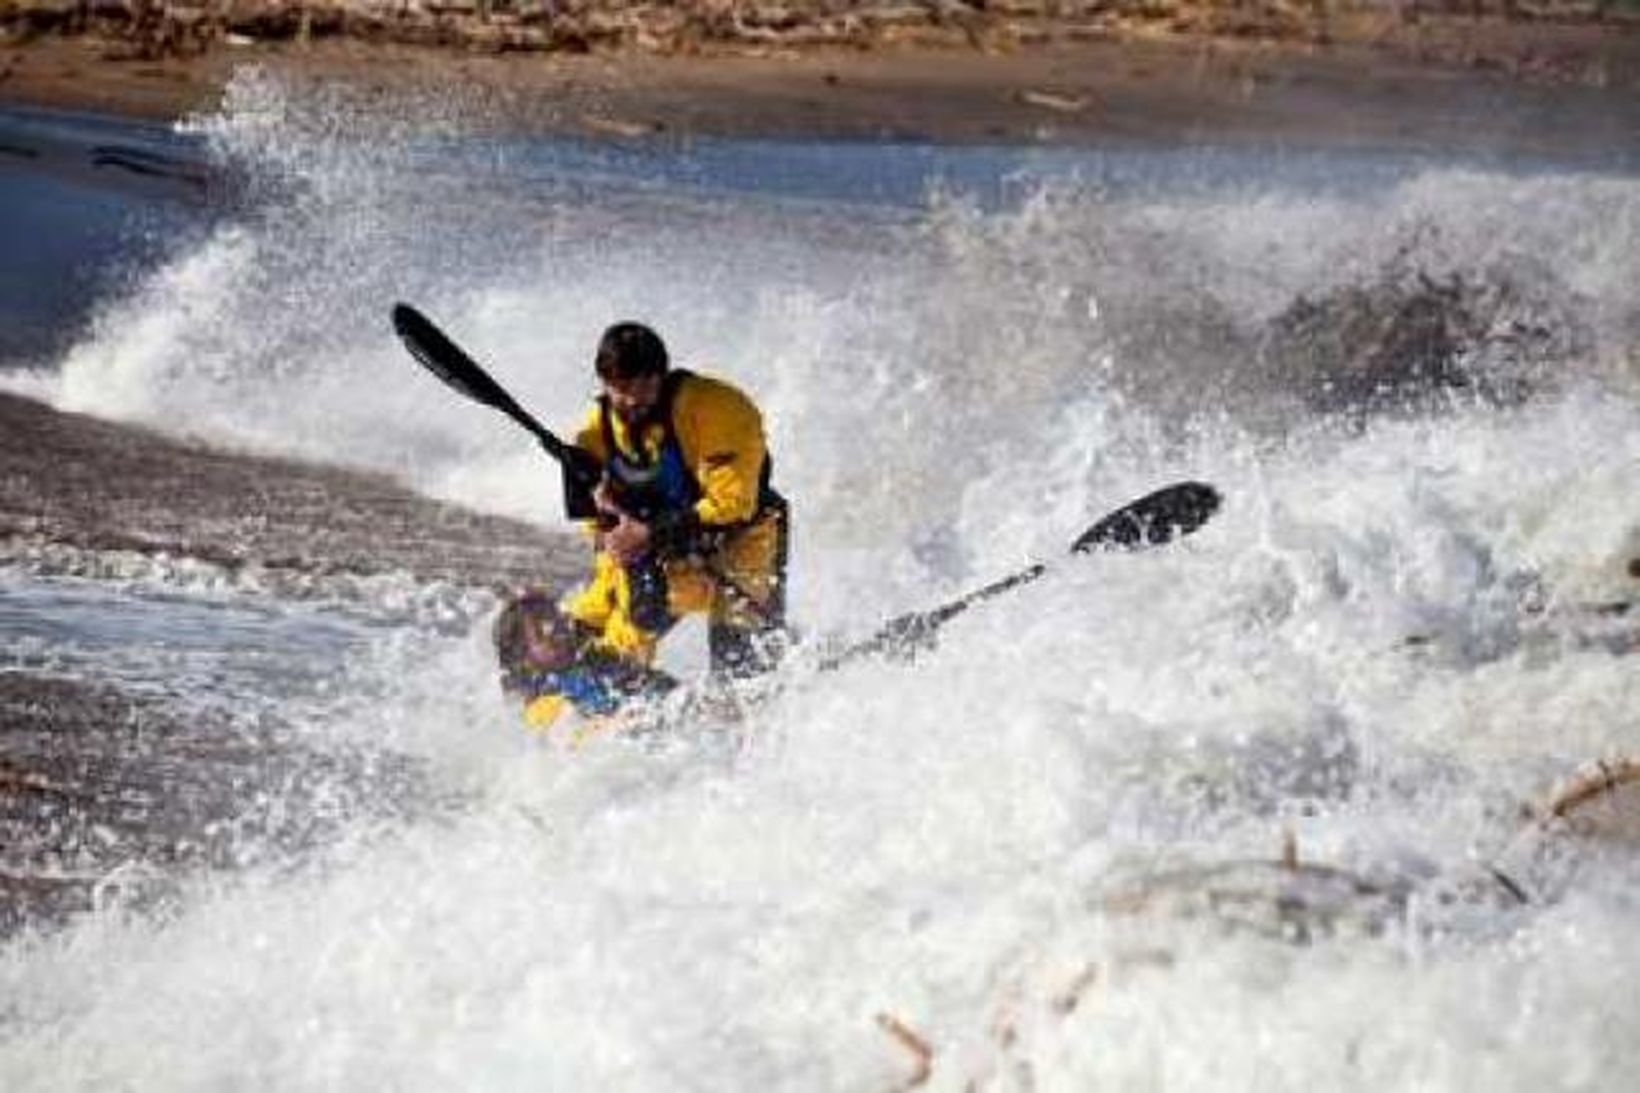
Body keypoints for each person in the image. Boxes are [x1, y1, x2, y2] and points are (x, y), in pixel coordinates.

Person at [501, 321, 788, 729]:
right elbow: (605, 537)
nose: (634, 403)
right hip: (657, 554)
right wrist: (612, 537)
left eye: (645, 392)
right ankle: (583, 711)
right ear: (605, 382)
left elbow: (734, 503)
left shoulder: (717, 407)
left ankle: (754, 717)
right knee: (614, 630)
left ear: (662, 377)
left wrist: (649, 533)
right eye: (623, 394)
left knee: (744, 673)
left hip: (743, 545)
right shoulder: (591, 437)